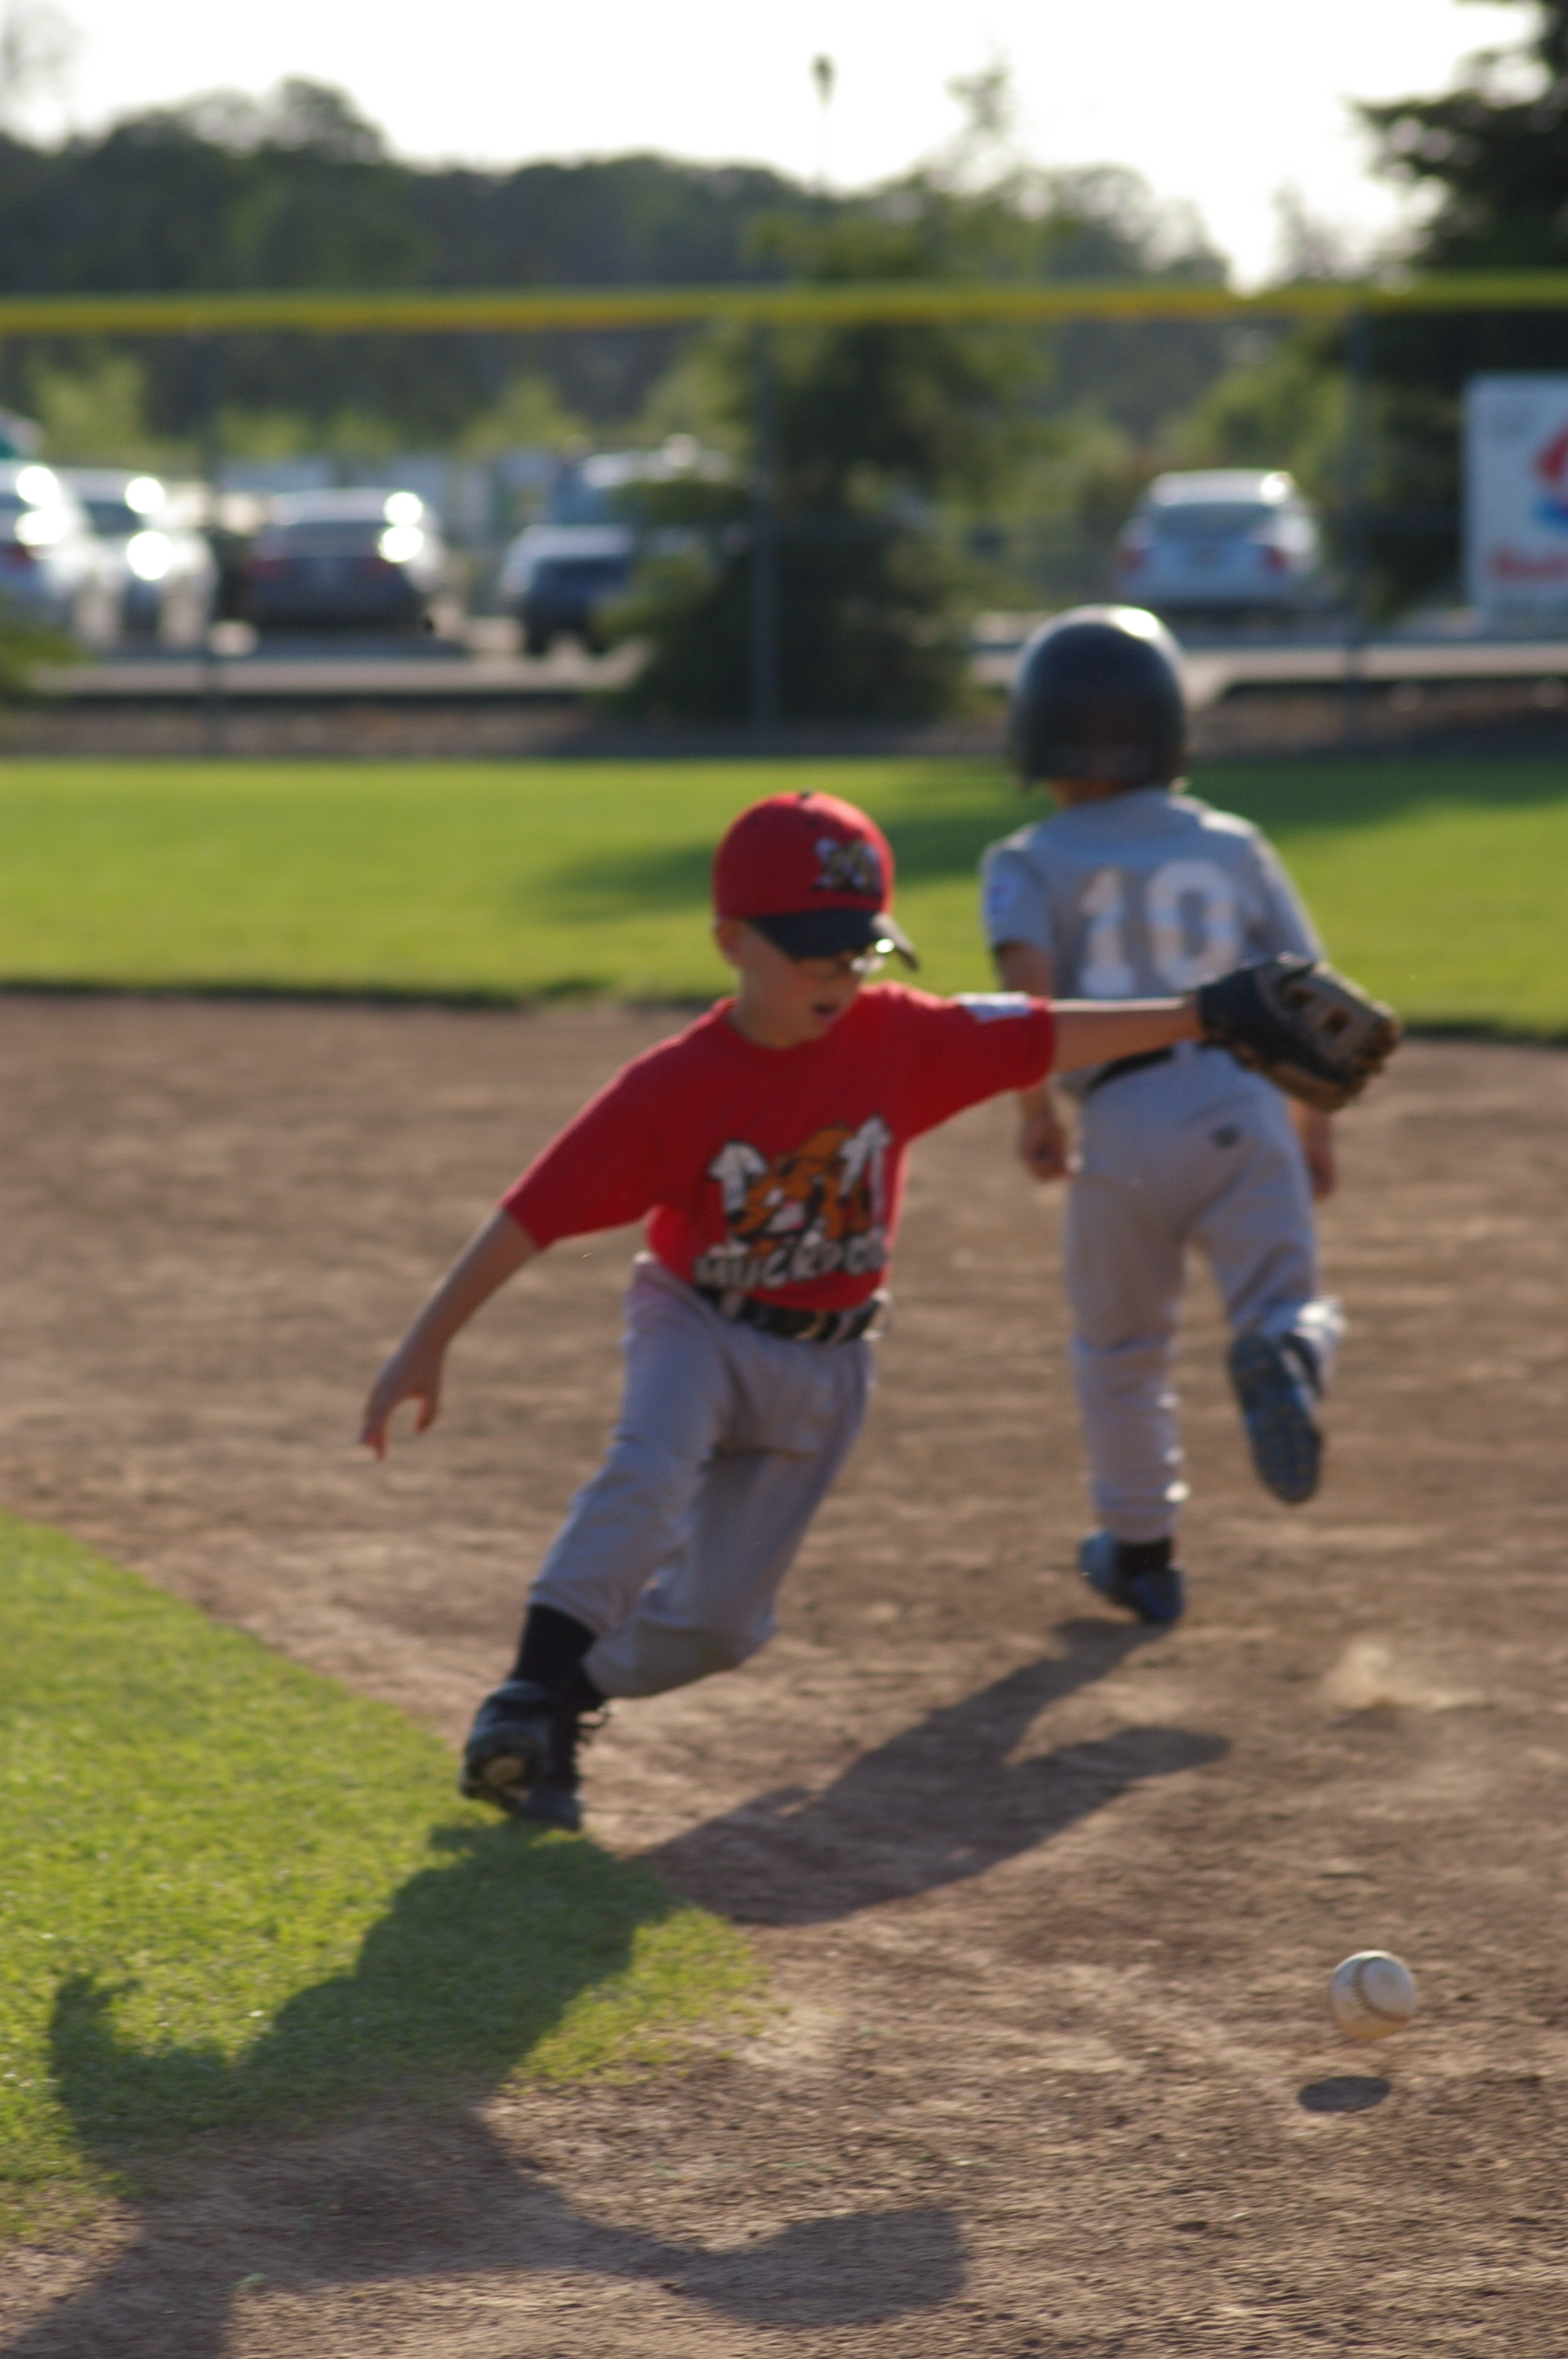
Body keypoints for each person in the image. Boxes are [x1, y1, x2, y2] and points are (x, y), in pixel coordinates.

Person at [361, 789, 1215, 1829]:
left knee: (720, 1626)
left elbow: (1043, 1034)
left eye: (859, 952)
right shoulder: (674, 1087)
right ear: (732, 941)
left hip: (831, 1361)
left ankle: (559, 1709)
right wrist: (427, 1342)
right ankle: (527, 1689)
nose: (839, 977)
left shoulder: (899, 1038)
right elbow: (532, 1213)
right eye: (812, 953)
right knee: (648, 1472)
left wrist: (1205, 1014)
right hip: (698, 1321)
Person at [982, 605, 1343, 1630]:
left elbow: (1027, 997)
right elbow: (1308, 992)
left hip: (1121, 1116)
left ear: (1035, 735)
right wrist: (1316, 1125)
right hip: (1244, 1100)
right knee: (1283, 1300)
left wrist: (1034, 1115)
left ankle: (1142, 1555)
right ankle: (1293, 1348)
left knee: (1120, 1348)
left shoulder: (1027, 857)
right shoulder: (1232, 844)